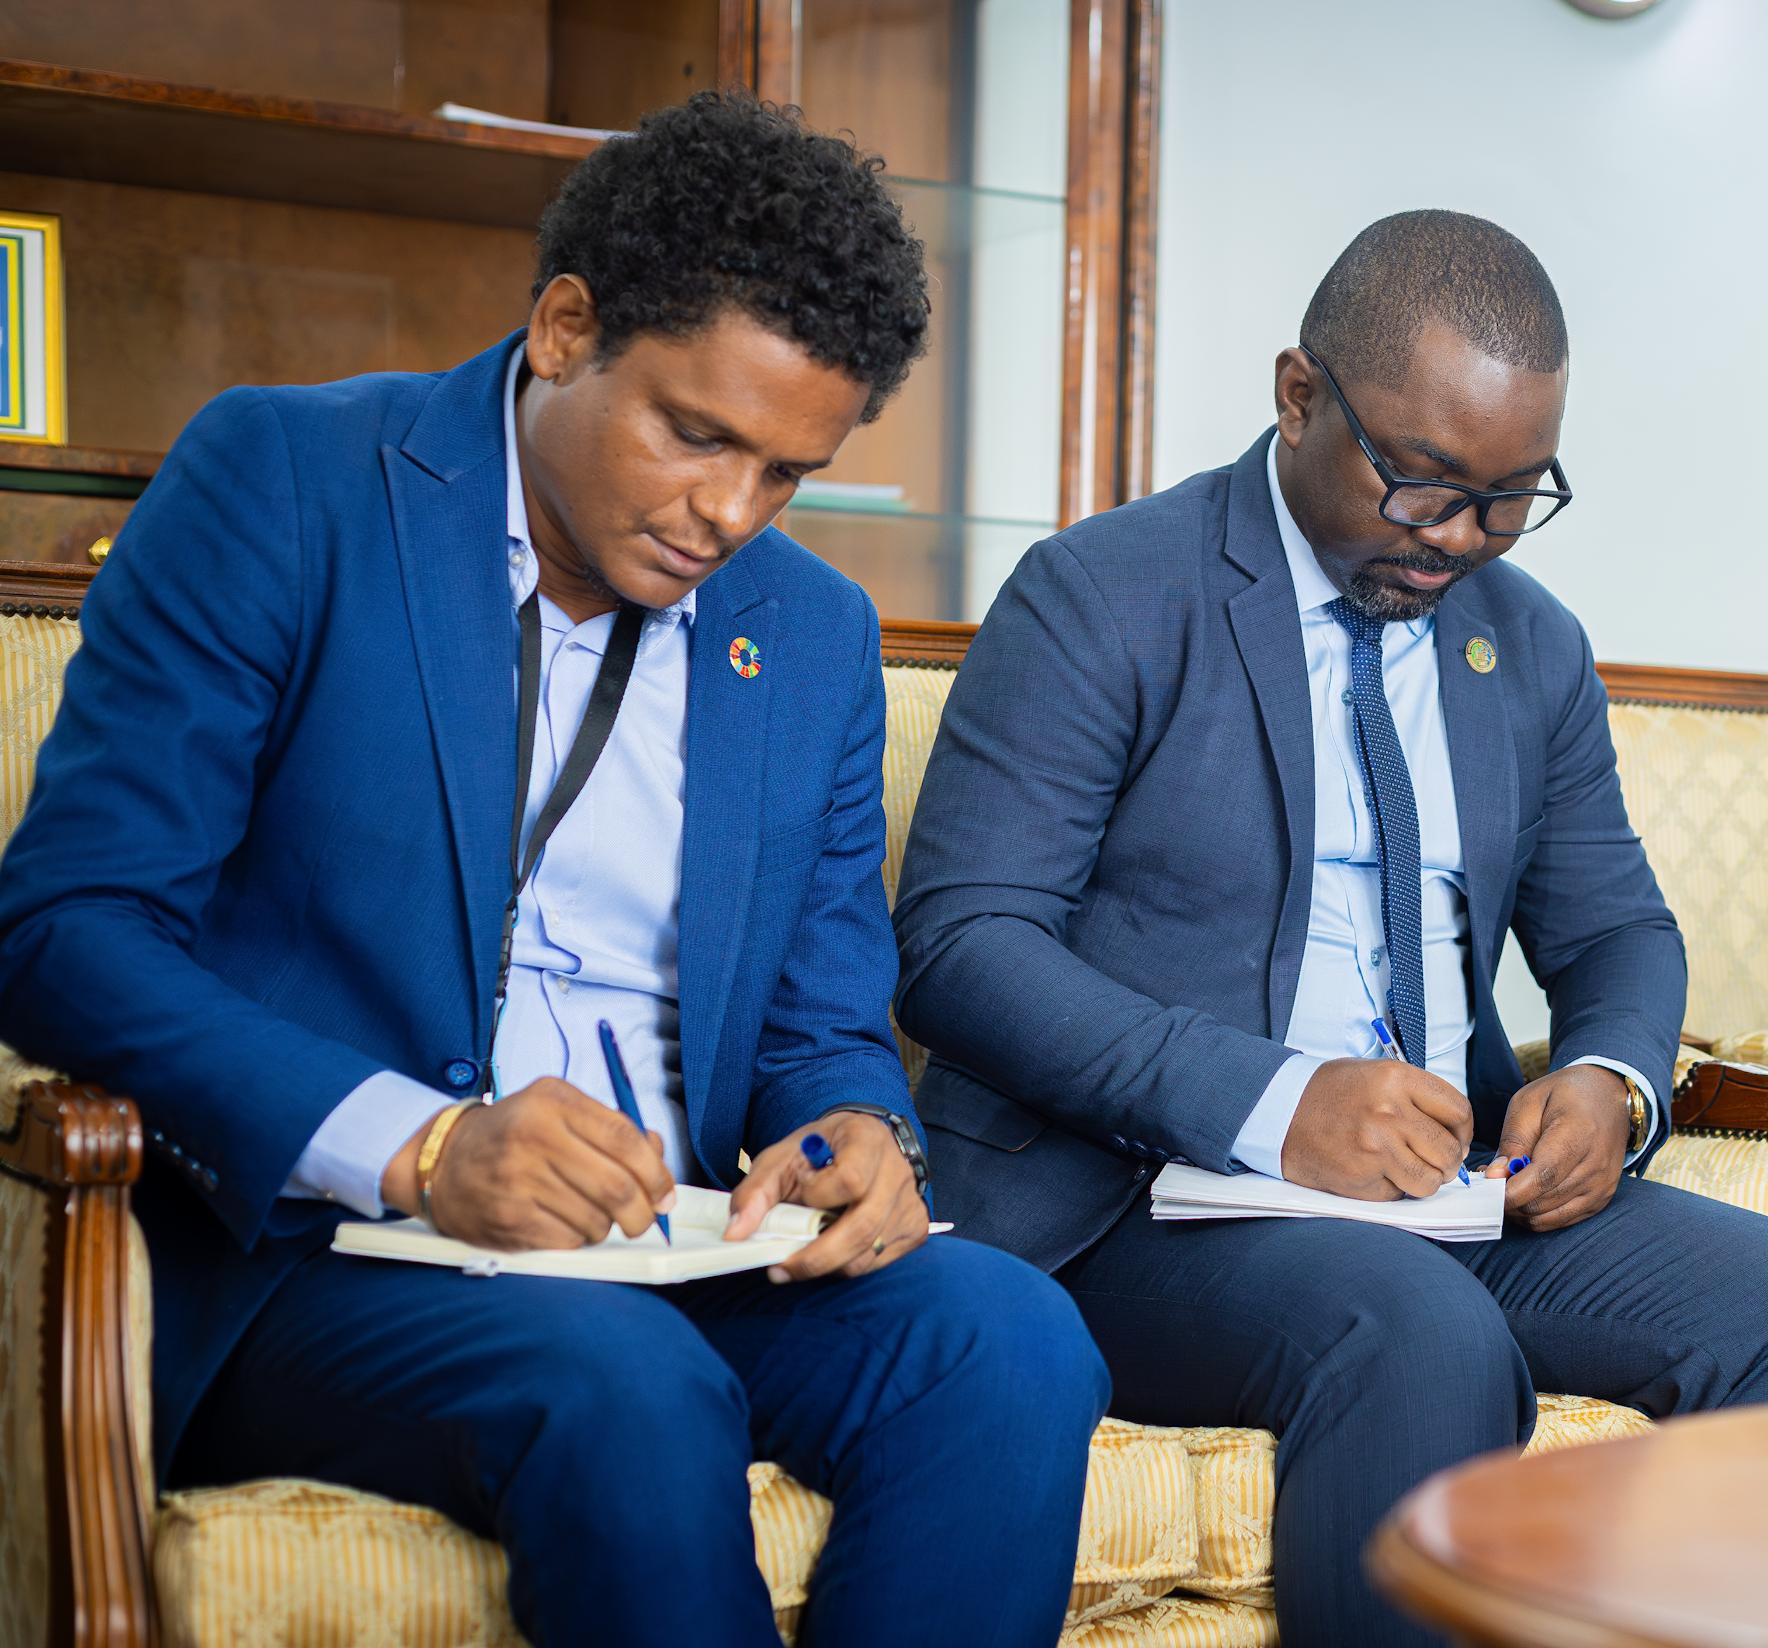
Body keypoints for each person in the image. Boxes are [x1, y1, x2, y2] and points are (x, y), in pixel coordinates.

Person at [0, 93, 1106, 1647]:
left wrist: (858, 1132)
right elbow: (68, 930)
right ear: (567, 328)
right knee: (626, 1390)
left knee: (1010, 1337)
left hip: (679, 1247)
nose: (729, 514)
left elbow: (823, 1019)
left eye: (785, 473)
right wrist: (422, 1147)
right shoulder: (289, 482)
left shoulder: (811, 633)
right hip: (331, 1258)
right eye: (697, 435)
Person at [893, 208, 1768, 1645]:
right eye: (1422, 483)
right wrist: (1279, 1101)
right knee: (1420, 1329)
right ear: (1300, 395)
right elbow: (962, 944)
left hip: (1448, 1184)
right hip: (1141, 1200)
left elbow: (1617, 930)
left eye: (1511, 497)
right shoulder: (1105, 592)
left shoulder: (1528, 643)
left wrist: (1609, 1081)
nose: (1461, 538)